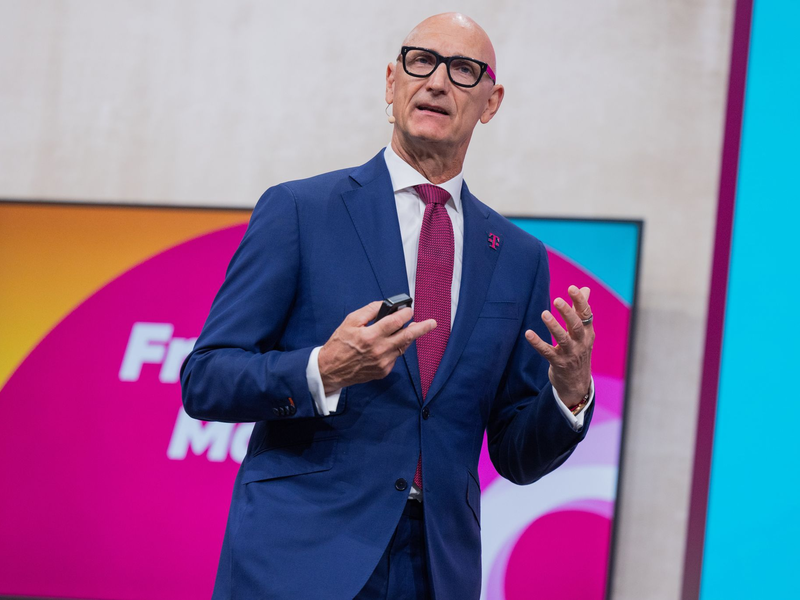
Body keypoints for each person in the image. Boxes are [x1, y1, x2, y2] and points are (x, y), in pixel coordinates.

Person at [181, 12, 596, 600]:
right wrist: (321, 369)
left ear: (491, 100)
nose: (436, 81)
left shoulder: (518, 258)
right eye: (420, 61)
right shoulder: (302, 211)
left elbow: (516, 455)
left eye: (462, 70)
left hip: (436, 568)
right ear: (391, 82)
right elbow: (206, 378)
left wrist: (570, 393)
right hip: (301, 556)